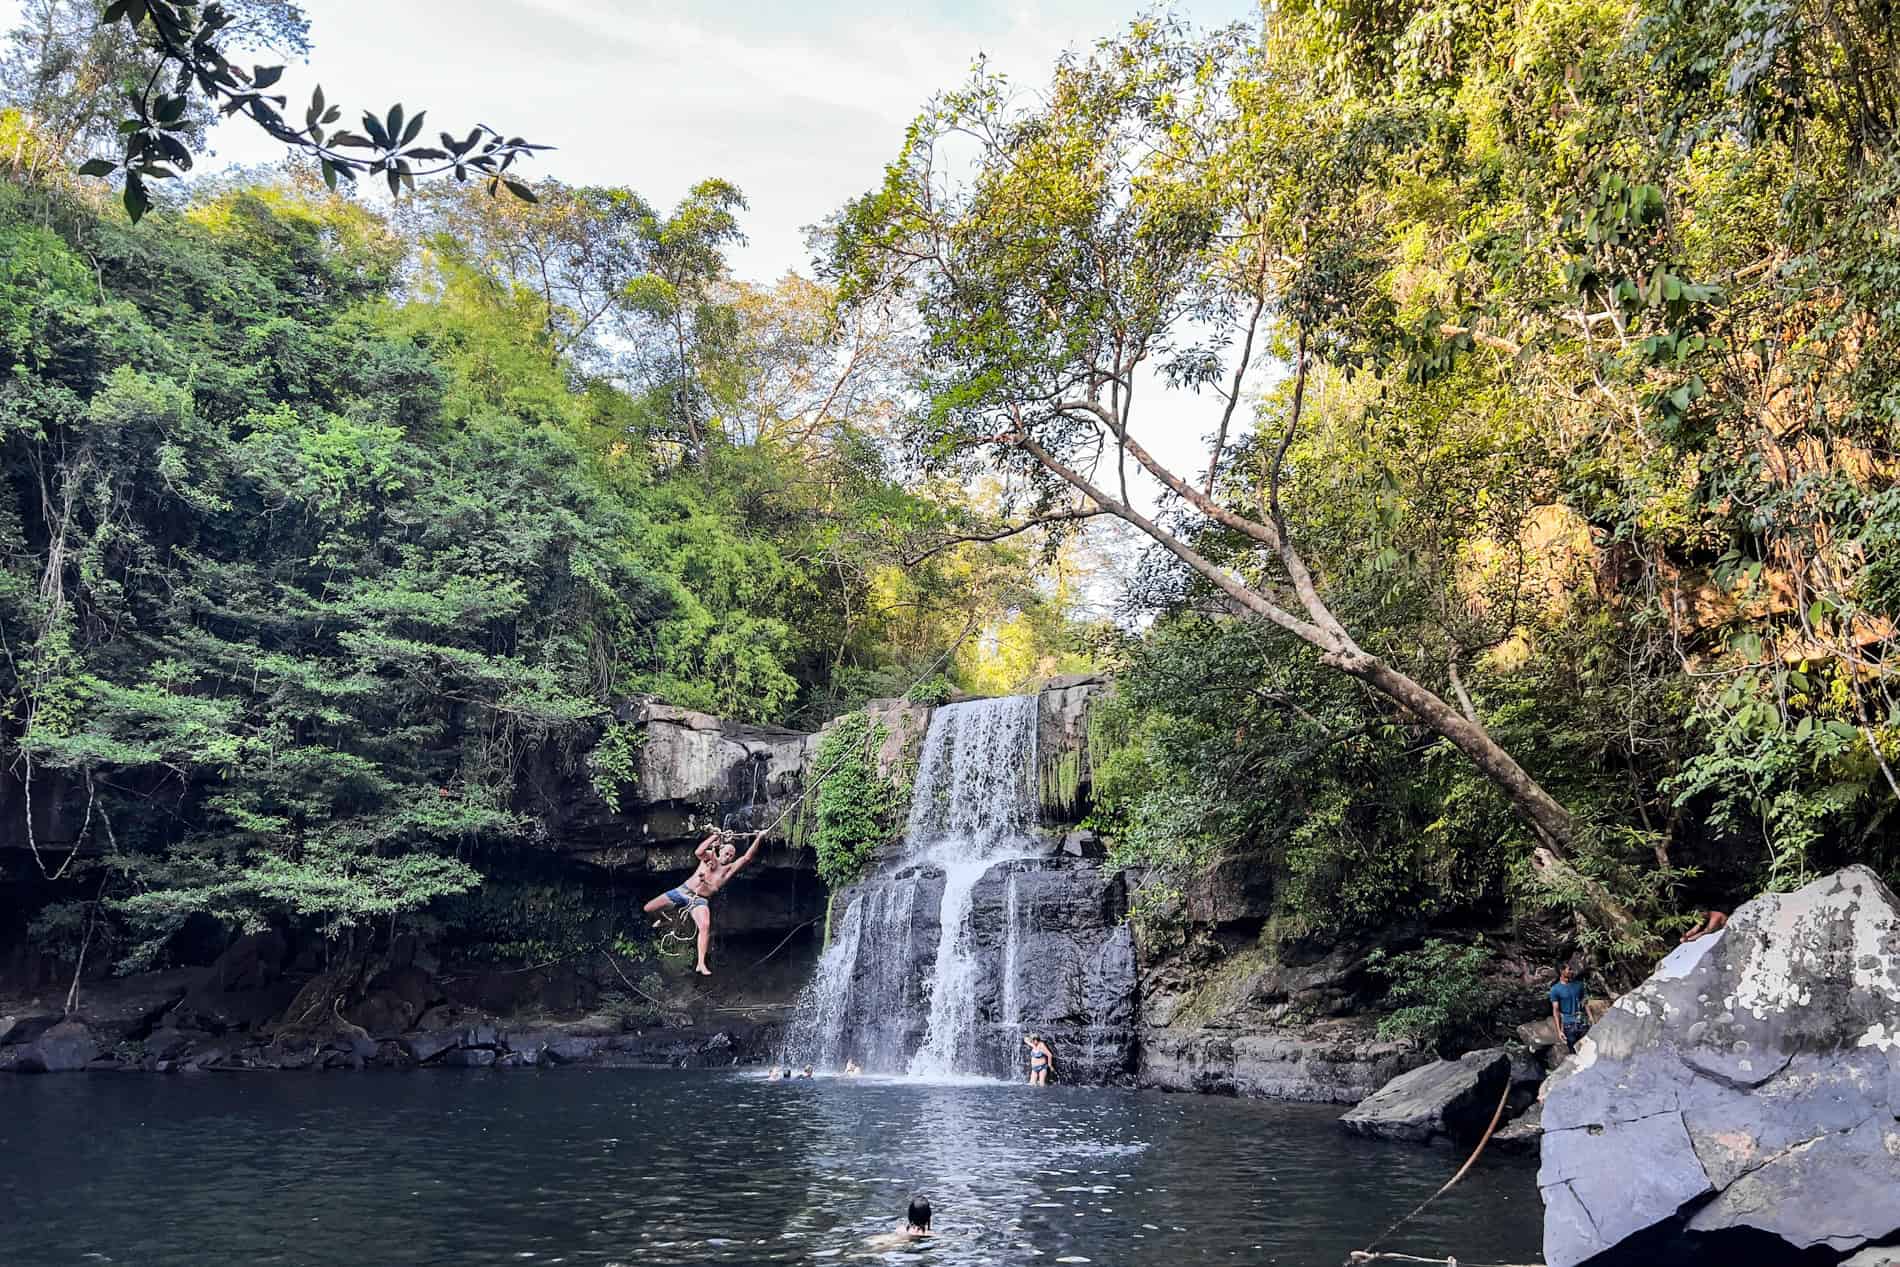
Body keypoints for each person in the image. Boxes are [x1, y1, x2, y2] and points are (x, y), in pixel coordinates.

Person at [643, 827, 765, 975]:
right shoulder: (710, 857)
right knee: (648, 908)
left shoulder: (728, 870)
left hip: (699, 900)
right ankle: (664, 919)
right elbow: (698, 852)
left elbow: (746, 858)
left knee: (705, 925)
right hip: (683, 891)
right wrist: (714, 836)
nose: (728, 857)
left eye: (731, 855)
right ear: (721, 850)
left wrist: (759, 838)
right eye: (727, 853)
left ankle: (701, 963)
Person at [1549, 961, 1589, 1051]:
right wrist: (1559, 1031)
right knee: (1573, 1052)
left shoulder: (1579, 985)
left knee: (1587, 1050)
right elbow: (1556, 1011)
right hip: (1568, 1025)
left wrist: (1591, 1019)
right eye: (1569, 969)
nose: (1572, 971)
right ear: (1561, 971)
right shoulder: (1555, 989)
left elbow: (1584, 1002)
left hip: (1582, 1022)